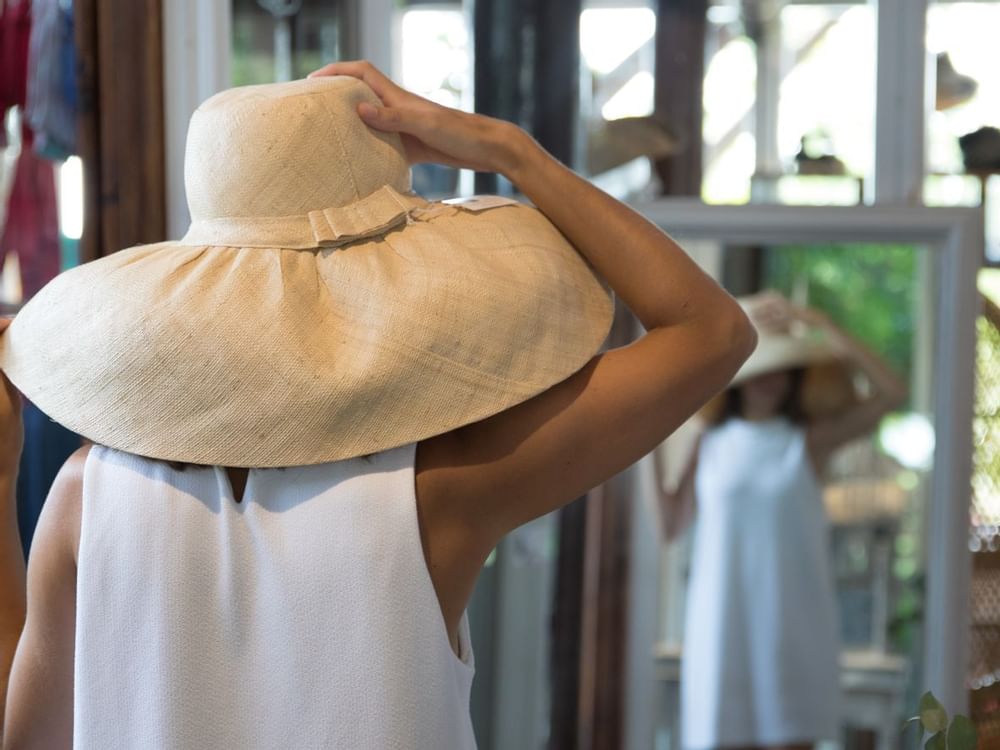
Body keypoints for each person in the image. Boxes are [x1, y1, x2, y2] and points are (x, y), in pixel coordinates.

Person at [0, 62, 756, 749]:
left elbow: (24, 739)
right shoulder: (441, 488)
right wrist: (510, 152)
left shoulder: (84, 497)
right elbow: (711, 332)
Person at [657, 291, 908, 750]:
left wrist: (816, 322)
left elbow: (893, 392)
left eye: (780, 368)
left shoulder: (808, 442)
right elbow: (671, 525)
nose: (770, 380)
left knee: (790, 735)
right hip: (722, 619)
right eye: (760, 369)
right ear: (738, 377)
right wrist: (648, 438)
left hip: (791, 619)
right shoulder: (709, 443)